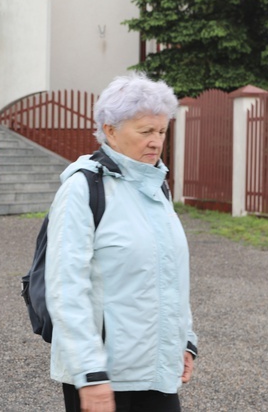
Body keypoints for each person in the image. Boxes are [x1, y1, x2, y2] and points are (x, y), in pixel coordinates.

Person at [45, 73, 197, 412]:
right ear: (110, 130)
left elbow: (169, 273)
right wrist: (90, 372)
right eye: (145, 131)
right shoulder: (82, 189)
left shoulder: (156, 186)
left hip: (157, 370)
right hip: (105, 377)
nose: (156, 142)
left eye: (161, 131)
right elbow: (66, 288)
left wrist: (185, 340)